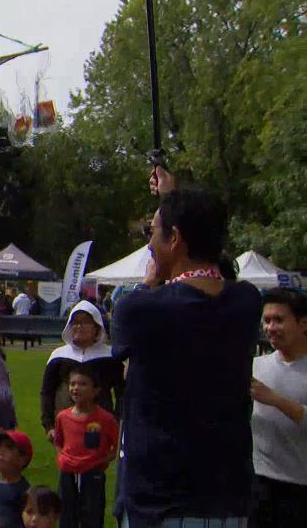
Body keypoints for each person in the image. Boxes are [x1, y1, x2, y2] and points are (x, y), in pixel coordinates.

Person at [111, 181, 262, 527]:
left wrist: (148, 280)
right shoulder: (246, 302)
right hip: (228, 499)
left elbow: (129, 315)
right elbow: (211, 264)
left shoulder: (142, 310)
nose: (149, 243)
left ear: (175, 238)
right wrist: (173, 197)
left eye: (152, 231)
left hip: (160, 502)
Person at [249, 288, 307, 528]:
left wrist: (274, 399)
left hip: (301, 488)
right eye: (267, 320)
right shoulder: (256, 367)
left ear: (303, 324)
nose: (271, 327)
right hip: (260, 485)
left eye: (279, 320)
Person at [41, 301, 124, 442]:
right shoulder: (58, 356)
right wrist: (49, 425)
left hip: (100, 425)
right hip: (67, 424)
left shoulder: (110, 356)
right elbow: (47, 392)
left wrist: (116, 420)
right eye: (75, 322)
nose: (78, 326)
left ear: (96, 327)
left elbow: (122, 393)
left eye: (85, 322)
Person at [52, 365, 119, 528]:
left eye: (82, 384)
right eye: (72, 384)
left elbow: (117, 446)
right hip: (67, 473)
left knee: (92, 516)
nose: (76, 388)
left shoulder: (106, 419)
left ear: (96, 390)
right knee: (67, 515)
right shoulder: (63, 417)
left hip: (93, 474)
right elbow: (58, 441)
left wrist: (99, 461)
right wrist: (63, 458)